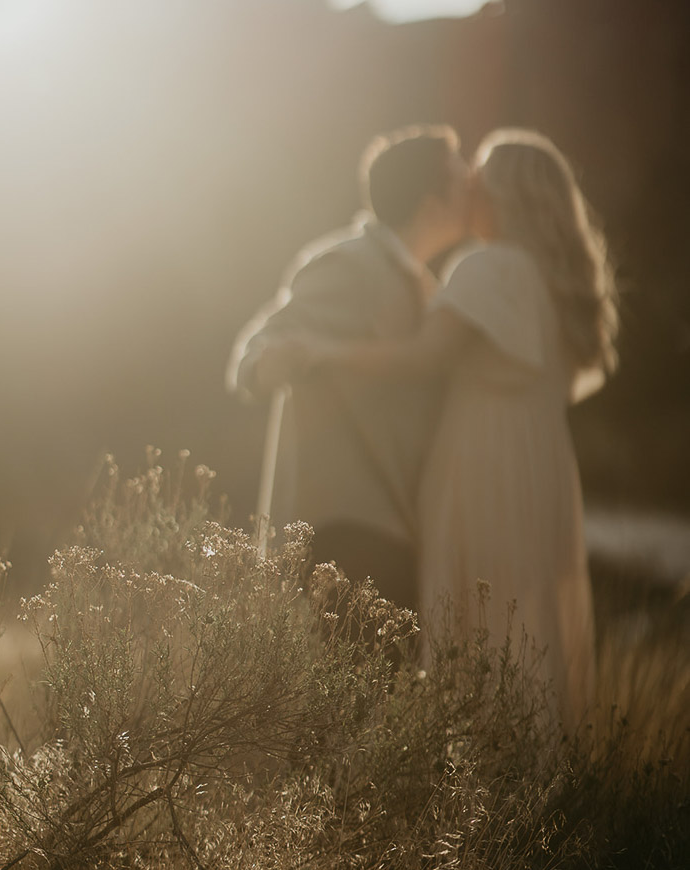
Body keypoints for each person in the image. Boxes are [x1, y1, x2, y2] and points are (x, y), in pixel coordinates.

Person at [277, 129, 618, 734]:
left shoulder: (490, 267)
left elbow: (419, 359)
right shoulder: (554, 285)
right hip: (541, 473)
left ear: (507, 196)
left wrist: (324, 352)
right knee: (529, 622)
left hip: (486, 471)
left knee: (479, 625)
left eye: (478, 183)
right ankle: (541, 787)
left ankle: (482, 787)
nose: (468, 192)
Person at [226, 125, 469, 608]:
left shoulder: (429, 288)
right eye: (461, 177)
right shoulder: (350, 264)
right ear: (431, 204)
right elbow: (255, 352)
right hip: (344, 530)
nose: (473, 184)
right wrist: (276, 363)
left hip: (396, 528)